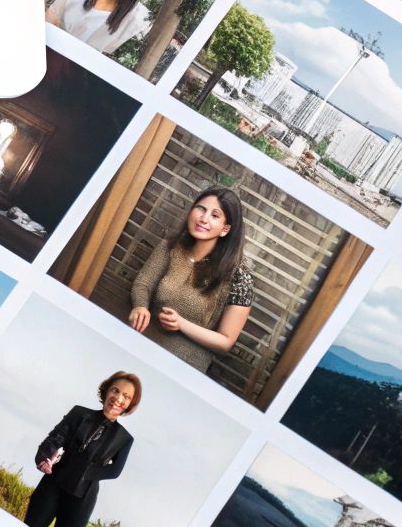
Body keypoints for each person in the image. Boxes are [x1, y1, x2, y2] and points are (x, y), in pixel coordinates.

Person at [127, 189, 252, 373]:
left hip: (182, 369)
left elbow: (226, 342)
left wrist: (181, 324)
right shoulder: (171, 247)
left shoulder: (239, 278)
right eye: (201, 209)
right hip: (140, 347)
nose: (204, 218)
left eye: (215, 215)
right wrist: (140, 306)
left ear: (225, 229)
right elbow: (143, 284)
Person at [23, 373, 140, 527]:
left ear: (130, 404)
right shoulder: (78, 413)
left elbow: (114, 471)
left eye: (126, 396)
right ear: (106, 390)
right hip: (52, 484)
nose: (118, 399)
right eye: (115, 390)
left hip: (82, 500)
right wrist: (45, 458)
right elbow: (55, 439)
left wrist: (82, 471)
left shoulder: (125, 439)